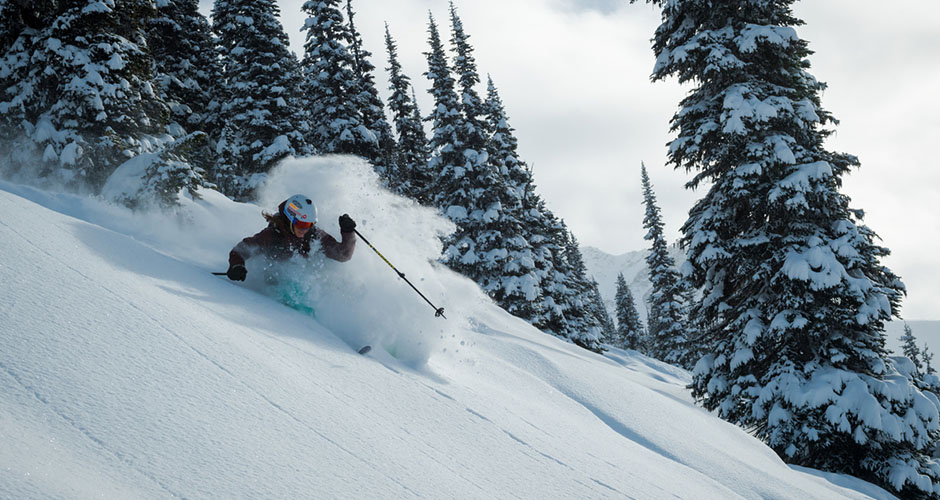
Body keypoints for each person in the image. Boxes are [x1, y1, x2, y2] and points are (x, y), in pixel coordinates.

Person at [226, 194, 357, 281]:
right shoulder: (272, 235)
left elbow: (343, 255)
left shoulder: (313, 235)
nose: (305, 229)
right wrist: (237, 266)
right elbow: (240, 251)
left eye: (309, 225)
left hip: (302, 285)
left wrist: (348, 232)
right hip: (273, 285)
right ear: (290, 219)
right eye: (301, 224)